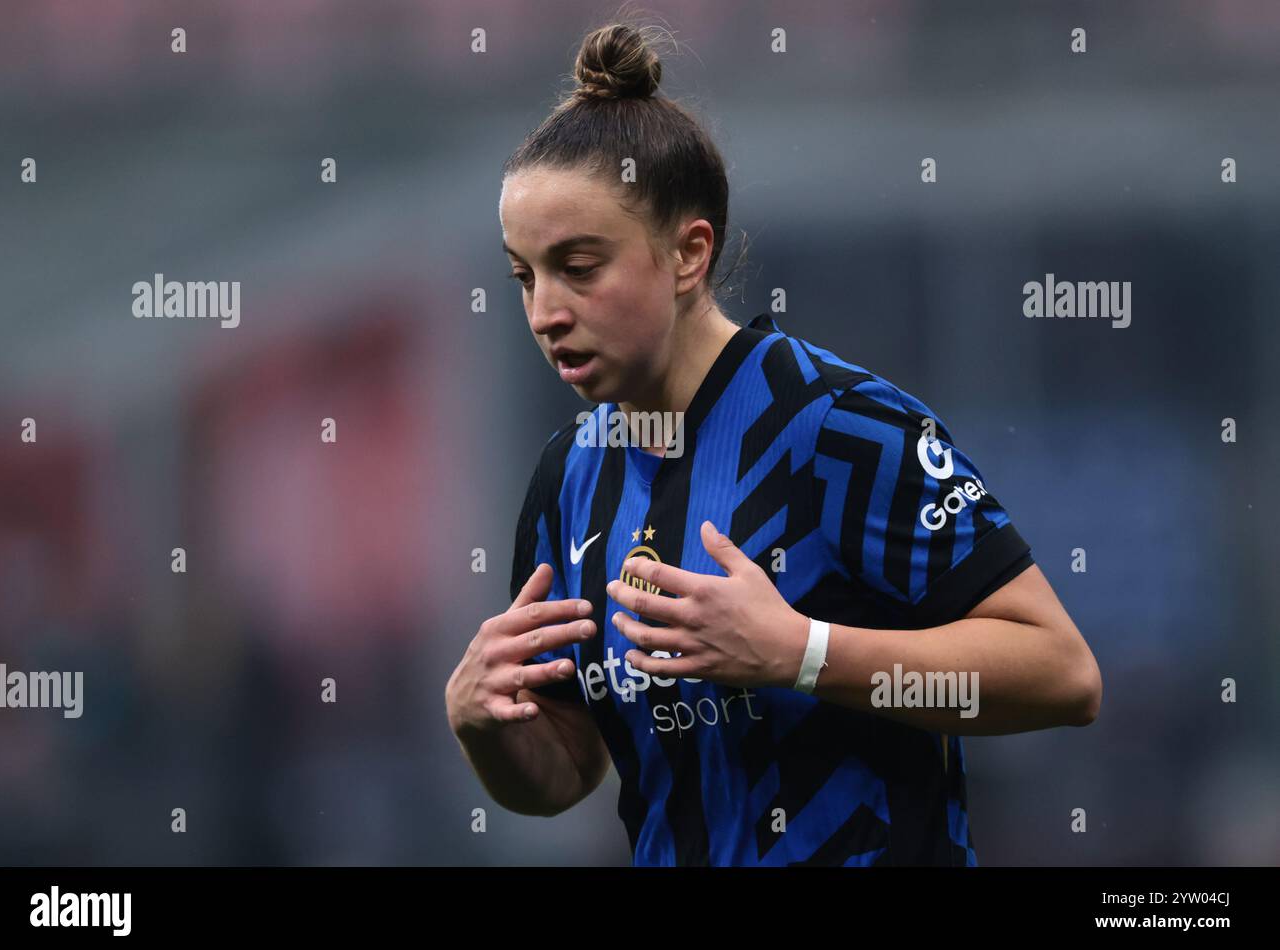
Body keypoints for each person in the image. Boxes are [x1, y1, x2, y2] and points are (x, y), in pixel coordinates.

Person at [445, 18, 1102, 866]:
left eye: (579, 266)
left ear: (689, 254)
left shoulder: (842, 425)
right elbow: (569, 771)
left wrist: (801, 653)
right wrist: (481, 725)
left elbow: (1062, 674)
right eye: (524, 276)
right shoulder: (567, 479)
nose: (544, 313)